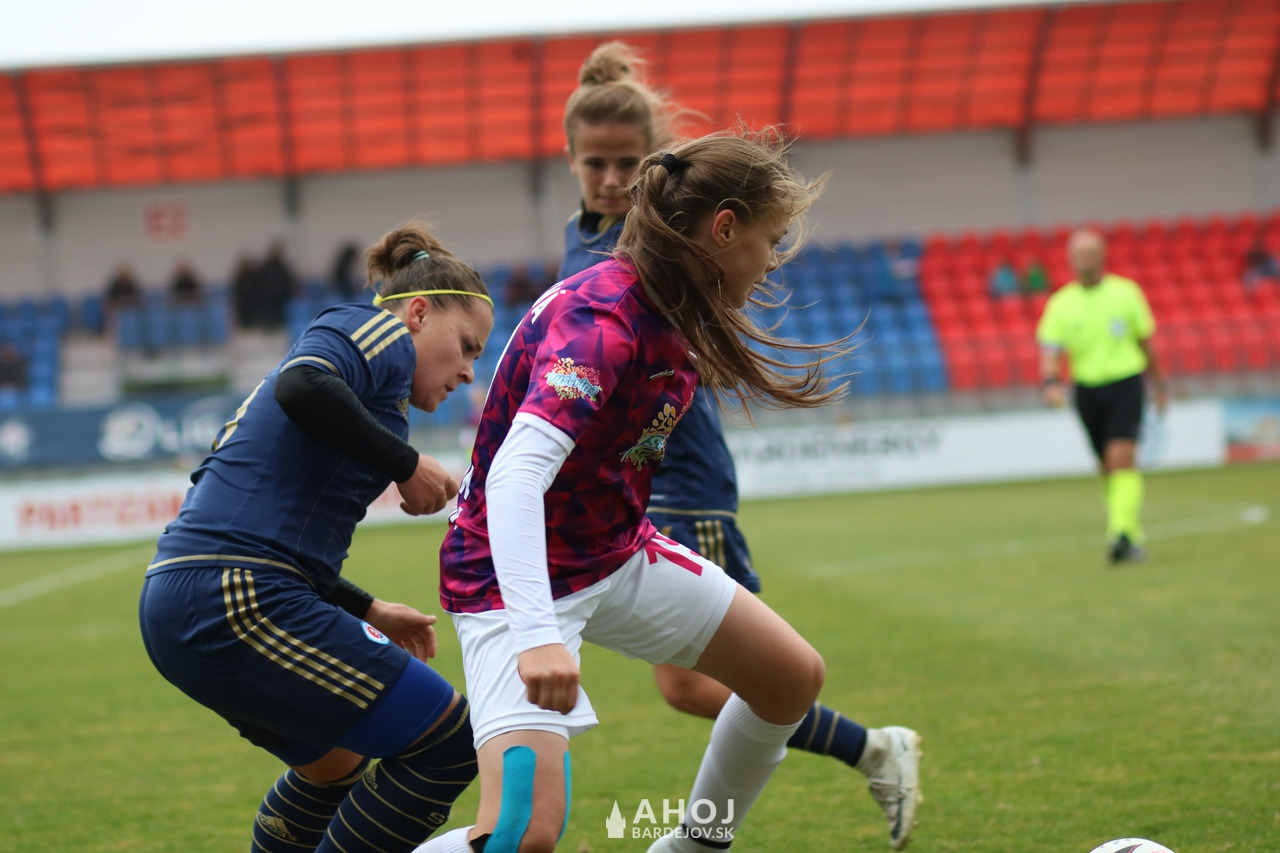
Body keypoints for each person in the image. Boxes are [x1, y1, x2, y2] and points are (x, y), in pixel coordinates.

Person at [414, 129, 916, 853]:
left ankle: (692, 846)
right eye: (771, 240)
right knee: (522, 834)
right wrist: (538, 635)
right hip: (510, 573)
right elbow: (515, 474)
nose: (772, 261)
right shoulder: (604, 321)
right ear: (725, 228)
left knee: (789, 678)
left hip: (612, 553)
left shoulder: (668, 306)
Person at [559, 40, 923, 849]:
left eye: (627, 163)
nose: (612, 179)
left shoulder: (663, 245)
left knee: (712, 683)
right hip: (625, 490)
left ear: (655, 162)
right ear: (571, 159)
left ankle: (863, 754)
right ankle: (866, 753)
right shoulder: (580, 240)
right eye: (596, 164)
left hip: (681, 480)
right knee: (700, 686)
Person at [138, 222, 495, 853]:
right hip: (233, 595)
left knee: (334, 765)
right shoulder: (378, 331)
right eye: (466, 345)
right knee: (449, 743)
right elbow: (300, 384)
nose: (470, 371)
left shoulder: (377, 389)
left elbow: (278, 526)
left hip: (198, 594)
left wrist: (365, 606)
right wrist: (405, 464)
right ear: (417, 313)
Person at [1037, 227, 1168, 564]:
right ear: (1070, 260)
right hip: (1087, 390)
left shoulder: (1126, 293)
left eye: (1091, 253)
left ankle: (1121, 534)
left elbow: (1146, 342)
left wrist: (1159, 385)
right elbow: (1051, 349)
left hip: (1126, 383)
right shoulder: (1061, 303)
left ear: (1102, 257)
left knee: (1121, 456)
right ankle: (1128, 534)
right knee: (1105, 465)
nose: (1085, 260)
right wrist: (1051, 382)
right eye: (1080, 254)